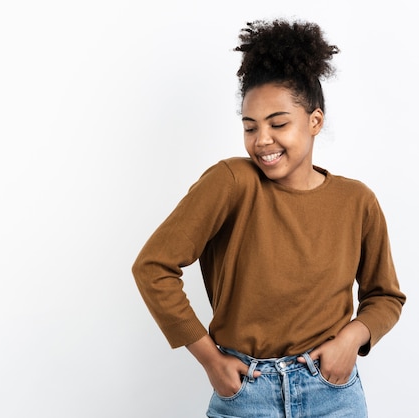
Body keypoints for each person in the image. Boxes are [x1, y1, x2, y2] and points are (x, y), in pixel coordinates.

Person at [131, 18, 406, 418]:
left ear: (314, 121)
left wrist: (352, 339)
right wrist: (210, 358)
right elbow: (153, 267)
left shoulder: (357, 201)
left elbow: (385, 296)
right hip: (247, 393)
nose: (262, 139)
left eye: (278, 124)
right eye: (250, 126)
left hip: (333, 392)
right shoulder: (231, 181)